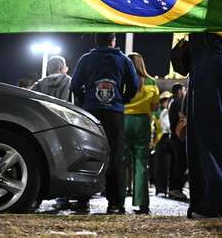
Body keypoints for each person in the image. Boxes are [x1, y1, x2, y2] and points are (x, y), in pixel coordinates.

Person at [70, 33, 140, 214]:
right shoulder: (123, 60)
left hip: (91, 112)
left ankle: (83, 200)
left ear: (96, 41)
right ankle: (115, 203)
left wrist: (85, 101)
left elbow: (75, 85)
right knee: (116, 156)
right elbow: (134, 85)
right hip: (114, 113)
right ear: (113, 41)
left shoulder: (86, 59)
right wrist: (122, 100)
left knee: (87, 153)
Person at [185, 33, 222, 218]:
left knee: (210, 128)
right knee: (200, 129)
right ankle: (207, 202)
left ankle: (221, 202)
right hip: (204, 46)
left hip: (212, 44)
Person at [123, 52, 159, 214]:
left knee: (122, 162)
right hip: (142, 122)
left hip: (123, 121)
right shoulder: (151, 82)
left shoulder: (122, 79)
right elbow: (154, 107)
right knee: (141, 162)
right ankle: (142, 202)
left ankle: (118, 200)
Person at [167, 83, 188, 201]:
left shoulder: (172, 102)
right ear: (179, 91)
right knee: (180, 163)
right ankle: (176, 189)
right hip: (179, 137)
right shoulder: (178, 102)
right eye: (184, 90)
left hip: (174, 137)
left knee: (176, 163)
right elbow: (183, 117)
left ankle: (174, 188)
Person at [152, 91, 174, 197]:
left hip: (167, 139)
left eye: (167, 100)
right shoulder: (161, 113)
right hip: (163, 139)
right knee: (162, 166)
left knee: (169, 165)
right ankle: (161, 189)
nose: (166, 102)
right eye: (164, 100)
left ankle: (167, 189)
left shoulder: (166, 111)